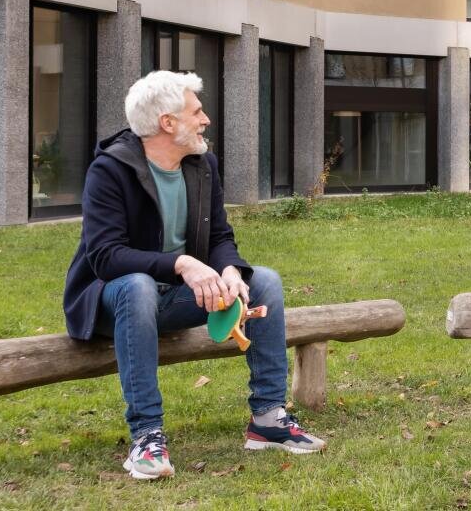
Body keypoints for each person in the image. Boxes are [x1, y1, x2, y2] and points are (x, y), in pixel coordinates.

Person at [63, 70, 326, 480]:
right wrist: (181, 264)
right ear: (168, 123)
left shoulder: (202, 165)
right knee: (137, 286)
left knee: (265, 282)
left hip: (176, 298)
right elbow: (106, 258)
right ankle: (147, 437)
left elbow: (220, 235)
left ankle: (268, 419)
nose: (206, 120)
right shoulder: (109, 170)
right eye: (197, 112)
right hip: (112, 302)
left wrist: (229, 270)